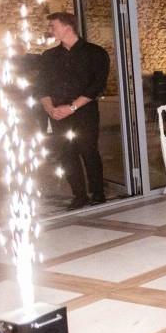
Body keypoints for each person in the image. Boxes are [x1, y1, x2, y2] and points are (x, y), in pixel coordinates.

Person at [36, 11, 111, 209]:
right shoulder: (49, 56)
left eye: (53, 26)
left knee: (88, 151)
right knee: (66, 153)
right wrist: (50, 109)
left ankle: (97, 193)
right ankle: (79, 195)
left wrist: (72, 107)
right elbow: (41, 86)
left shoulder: (95, 53)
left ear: (67, 27)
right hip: (58, 113)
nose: (49, 30)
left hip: (84, 111)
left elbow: (97, 86)